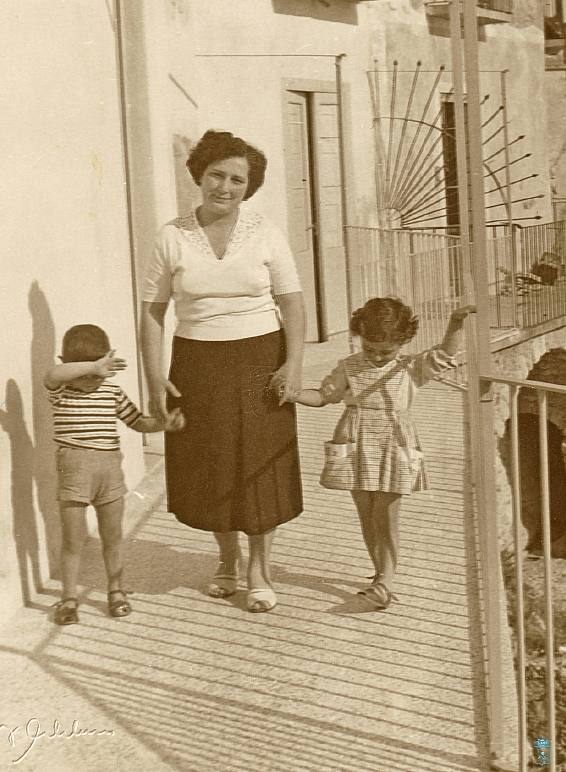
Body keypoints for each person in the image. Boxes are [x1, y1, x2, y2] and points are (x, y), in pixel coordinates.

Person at [141, 130, 305, 613]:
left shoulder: (266, 232)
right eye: (217, 174)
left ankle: (260, 568)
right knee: (211, 463)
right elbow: (152, 311)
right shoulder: (171, 236)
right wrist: (154, 377)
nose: (225, 186)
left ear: (248, 187)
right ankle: (227, 559)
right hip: (197, 362)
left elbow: (292, 304)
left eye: (237, 179)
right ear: (200, 174)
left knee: (259, 463)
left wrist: (293, 363)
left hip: (260, 359)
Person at [294, 298, 474, 610]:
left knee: (387, 514)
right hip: (355, 440)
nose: (377, 357)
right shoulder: (348, 367)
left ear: (402, 342)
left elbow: (445, 353)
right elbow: (324, 397)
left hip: (394, 440)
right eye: (369, 349)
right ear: (359, 339)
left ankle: (386, 581)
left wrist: (455, 323)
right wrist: (292, 394)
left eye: (386, 351)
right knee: (366, 514)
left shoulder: (411, 368)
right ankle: (380, 574)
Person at [45, 323, 183, 625]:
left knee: (113, 537)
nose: (91, 379)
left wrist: (164, 424)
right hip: (74, 472)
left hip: (109, 472)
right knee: (72, 540)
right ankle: (68, 599)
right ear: (67, 365)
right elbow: (52, 376)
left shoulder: (110, 390)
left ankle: (116, 591)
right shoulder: (61, 391)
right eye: (84, 372)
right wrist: (94, 365)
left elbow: (137, 422)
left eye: (98, 372)